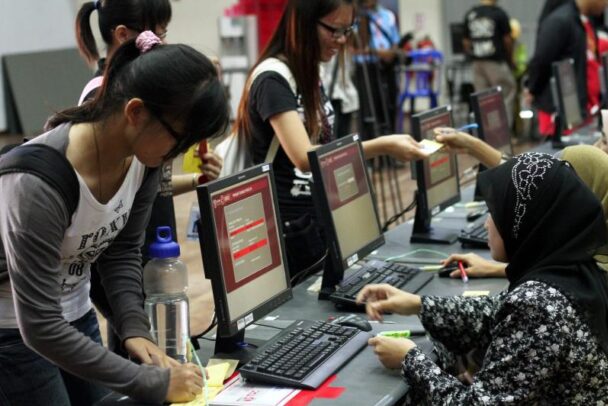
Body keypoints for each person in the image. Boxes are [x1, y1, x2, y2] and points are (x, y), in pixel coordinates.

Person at [0, 32, 229, 405]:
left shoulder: (143, 160)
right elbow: (39, 326)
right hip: (14, 329)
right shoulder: (35, 184)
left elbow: (120, 250)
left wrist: (133, 329)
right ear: (135, 112)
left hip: (73, 312)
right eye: (180, 140)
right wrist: (149, 382)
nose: (180, 153)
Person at [358, 152, 608, 403]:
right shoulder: (574, 269)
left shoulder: (538, 305)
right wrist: (417, 304)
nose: (488, 223)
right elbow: (493, 313)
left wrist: (410, 359)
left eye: (496, 213)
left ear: (523, 222)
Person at [233, 0, 427, 281]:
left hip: (316, 218)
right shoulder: (273, 79)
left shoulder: (311, 71)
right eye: (334, 30)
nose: (342, 40)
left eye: (347, 30)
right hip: (286, 229)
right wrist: (383, 145)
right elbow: (304, 156)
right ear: (302, 23)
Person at [74, 0, 224, 357]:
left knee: (152, 347)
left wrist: (195, 181)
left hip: (145, 248)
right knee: (136, 346)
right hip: (119, 265)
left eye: (165, 34)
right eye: (156, 34)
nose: (161, 45)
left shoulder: (143, 119)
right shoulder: (104, 100)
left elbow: (145, 185)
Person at [436, 142, 608, 279]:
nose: (598, 145)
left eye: (604, 140)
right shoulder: (589, 272)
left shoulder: (588, 284)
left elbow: (527, 186)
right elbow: (525, 179)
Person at [526, 0, 608, 140]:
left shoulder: (585, 21)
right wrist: (532, 88)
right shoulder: (560, 21)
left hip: (581, 110)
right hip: (558, 111)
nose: (607, 4)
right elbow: (542, 59)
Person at [463, 0, 516, 128]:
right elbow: (507, 40)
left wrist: (473, 54)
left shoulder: (471, 14)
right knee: (506, 94)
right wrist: (511, 59)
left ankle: (485, 134)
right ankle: (503, 134)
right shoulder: (499, 14)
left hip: (477, 63)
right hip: (495, 61)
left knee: (482, 101)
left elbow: (465, 42)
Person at [354, 0, 401, 136]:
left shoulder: (388, 15)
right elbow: (357, 46)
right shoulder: (355, 16)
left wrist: (390, 54)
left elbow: (395, 42)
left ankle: (390, 146)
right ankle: (369, 149)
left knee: (389, 106)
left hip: (387, 67)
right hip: (365, 68)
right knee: (367, 111)